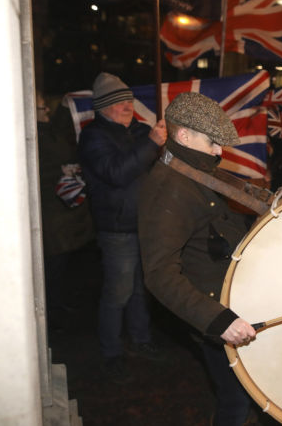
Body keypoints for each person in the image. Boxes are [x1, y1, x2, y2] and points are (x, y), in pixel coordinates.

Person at [138, 92, 257, 426]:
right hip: (215, 313)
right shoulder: (169, 187)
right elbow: (160, 275)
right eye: (212, 143)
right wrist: (220, 321)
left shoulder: (193, 169)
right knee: (235, 402)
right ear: (184, 136)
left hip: (231, 297)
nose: (220, 152)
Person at [77, 72, 167, 383]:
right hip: (117, 228)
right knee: (118, 292)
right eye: (119, 101)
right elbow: (116, 172)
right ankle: (111, 351)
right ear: (103, 107)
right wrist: (152, 143)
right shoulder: (94, 137)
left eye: (128, 99)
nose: (127, 104)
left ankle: (141, 340)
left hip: (146, 224)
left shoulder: (142, 131)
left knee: (142, 290)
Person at [37, 92, 95, 333]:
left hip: (60, 218)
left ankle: (55, 310)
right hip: (53, 217)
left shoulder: (47, 135)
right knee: (51, 272)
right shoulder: (37, 139)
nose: (46, 111)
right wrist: (66, 171)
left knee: (58, 270)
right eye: (42, 109)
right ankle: (50, 317)